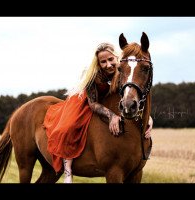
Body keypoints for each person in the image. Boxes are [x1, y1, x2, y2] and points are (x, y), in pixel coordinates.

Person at [43, 42, 153, 183]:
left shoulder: (123, 69)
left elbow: (130, 95)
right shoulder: (94, 75)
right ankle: (68, 171)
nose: (108, 64)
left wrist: (148, 117)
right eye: (103, 62)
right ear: (99, 64)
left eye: (110, 59)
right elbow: (93, 104)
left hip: (108, 101)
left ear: (116, 57)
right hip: (86, 102)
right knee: (67, 127)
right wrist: (112, 116)